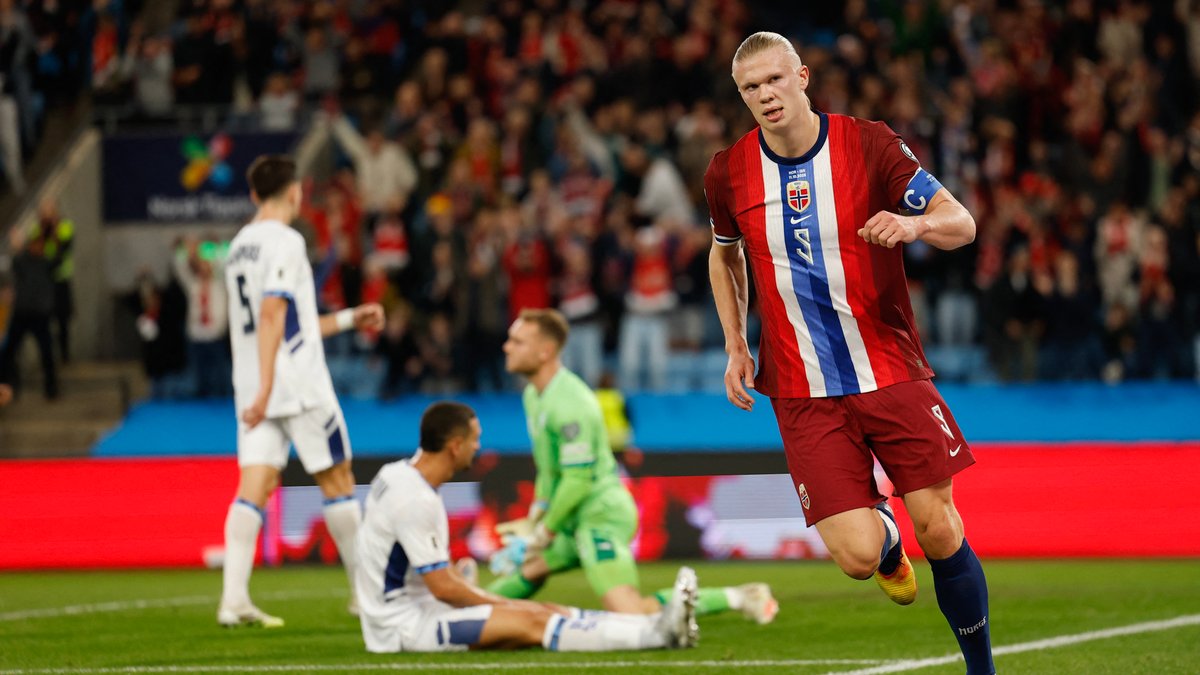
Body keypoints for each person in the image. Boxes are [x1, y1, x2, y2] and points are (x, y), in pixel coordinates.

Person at [706, 33, 994, 674]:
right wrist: (734, 342)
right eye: (751, 87)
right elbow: (724, 254)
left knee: (940, 528)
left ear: (802, 77)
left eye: (775, 79)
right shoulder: (728, 171)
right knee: (859, 558)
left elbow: (962, 223)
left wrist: (916, 223)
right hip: (800, 387)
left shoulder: (869, 143)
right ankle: (887, 541)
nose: (766, 95)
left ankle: (982, 670)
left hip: (888, 366)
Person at [486, 308, 777, 625]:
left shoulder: (571, 404)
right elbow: (548, 468)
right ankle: (462, 612)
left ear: (545, 351)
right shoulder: (534, 394)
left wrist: (543, 532)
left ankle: (740, 596)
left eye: (518, 341)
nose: (506, 347)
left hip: (599, 517)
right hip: (572, 516)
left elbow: (578, 481)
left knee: (631, 613)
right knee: (528, 571)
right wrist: (537, 515)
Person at [354, 400, 698, 653]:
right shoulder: (417, 500)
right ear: (455, 446)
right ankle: (658, 634)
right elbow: (444, 589)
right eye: (474, 440)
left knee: (545, 611)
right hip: (406, 627)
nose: (478, 447)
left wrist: (464, 584)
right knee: (533, 620)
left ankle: (653, 624)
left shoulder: (394, 475)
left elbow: (390, 558)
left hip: (412, 611)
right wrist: (496, 602)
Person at [218, 155, 385, 628]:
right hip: (296, 384)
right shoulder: (287, 241)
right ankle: (365, 598)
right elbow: (273, 314)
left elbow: (295, 324)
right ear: (295, 193)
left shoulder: (238, 247)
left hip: (252, 383)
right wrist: (272, 385)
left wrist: (350, 318)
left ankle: (233, 600)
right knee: (338, 481)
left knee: (255, 486)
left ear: (254, 195)